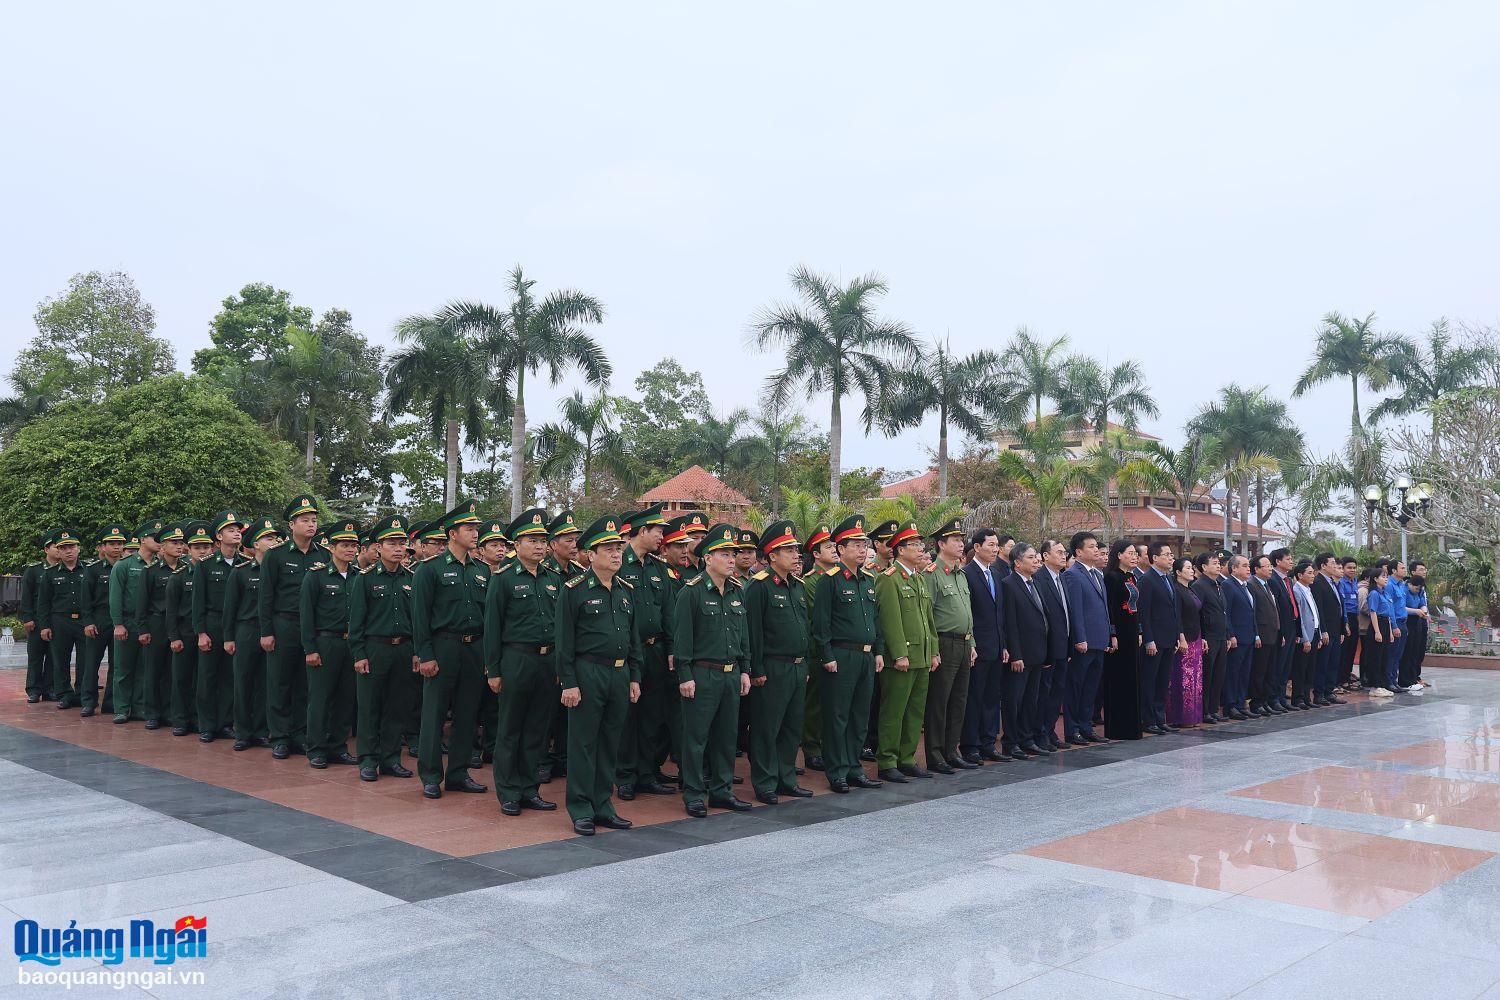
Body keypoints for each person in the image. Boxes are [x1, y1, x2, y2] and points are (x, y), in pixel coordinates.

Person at [555, 515, 643, 835]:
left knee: (610, 743)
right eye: (607, 548)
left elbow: (634, 640)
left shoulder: (625, 590)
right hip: (587, 671)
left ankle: (603, 805)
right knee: (583, 743)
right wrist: (569, 682)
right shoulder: (574, 590)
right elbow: (564, 643)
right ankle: (580, 808)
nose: (616, 553)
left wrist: (635, 677)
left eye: (618, 547)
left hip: (619, 674)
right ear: (590, 555)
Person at [483, 508, 562, 814]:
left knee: (537, 729)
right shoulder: (503, 579)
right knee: (510, 728)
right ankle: (508, 792)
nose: (540, 545)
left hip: (546, 660)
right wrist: (494, 669)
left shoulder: (553, 578)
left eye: (543, 539)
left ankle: (530, 788)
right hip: (516, 658)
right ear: (517, 544)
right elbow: (492, 627)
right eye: (533, 539)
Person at [413, 499, 490, 798]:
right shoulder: (429, 570)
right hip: (443, 646)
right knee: (434, 712)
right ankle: (431, 775)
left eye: (475, 529)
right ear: (452, 534)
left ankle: (458, 773)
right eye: (468, 528)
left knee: (467, 713)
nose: (475, 533)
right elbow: (420, 616)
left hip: (474, 647)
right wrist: (426, 654)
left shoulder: (481, 570)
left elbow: (488, 618)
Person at [675, 523, 753, 815]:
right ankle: (694, 792)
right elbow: (683, 638)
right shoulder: (691, 592)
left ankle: (722, 790)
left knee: (725, 736)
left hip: (730, 673)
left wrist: (745, 669)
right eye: (724, 553)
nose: (731, 558)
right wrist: (685, 675)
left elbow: (743, 634)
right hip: (702, 673)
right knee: (696, 737)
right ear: (708, 558)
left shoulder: (736, 591)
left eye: (733, 553)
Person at [810, 515, 885, 793]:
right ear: (840, 549)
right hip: (841, 655)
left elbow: (874, 619)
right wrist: (826, 654)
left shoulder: (867, 579)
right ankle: (837, 770)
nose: (862, 549)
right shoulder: (830, 580)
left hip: (866, 656)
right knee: (838, 716)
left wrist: (878, 650)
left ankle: (854, 768)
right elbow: (821, 623)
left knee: (859, 716)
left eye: (864, 544)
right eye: (855, 545)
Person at [744, 519, 813, 804]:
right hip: (772, 667)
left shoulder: (797, 585)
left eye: (796, 549)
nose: (796, 555)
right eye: (788, 550)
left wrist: (805, 663)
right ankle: (765, 782)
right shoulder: (759, 586)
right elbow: (753, 632)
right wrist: (756, 669)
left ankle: (786, 778)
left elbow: (804, 628)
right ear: (772, 556)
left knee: (791, 727)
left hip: (796, 666)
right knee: (766, 728)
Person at [347, 514, 418, 782]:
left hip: (403, 648)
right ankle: (368, 759)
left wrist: (415, 651)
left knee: (396, 706)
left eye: (402, 543)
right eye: (392, 543)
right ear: (378, 547)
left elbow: (416, 620)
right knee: (369, 707)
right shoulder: (365, 579)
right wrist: (359, 654)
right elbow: (357, 620)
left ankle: (390, 759)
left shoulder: (411, 578)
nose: (399, 548)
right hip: (375, 648)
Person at [614, 503, 676, 801]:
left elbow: (668, 612)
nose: (661, 537)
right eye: (658, 531)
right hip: (626, 652)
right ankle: (625, 775)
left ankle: (647, 773)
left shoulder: (658, 568)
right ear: (642, 531)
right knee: (628, 715)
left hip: (655, 649)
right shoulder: (618, 564)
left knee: (653, 714)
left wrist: (672, 648)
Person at [259, 496, 327, 759]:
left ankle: (300, 734)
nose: (311, 525)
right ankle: (280, 736)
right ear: (292, 524)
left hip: (312, 628)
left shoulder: (323, 555)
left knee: (305, 683)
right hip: (283, 623)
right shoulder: (276, 556)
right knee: (279, 681)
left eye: (313, 520)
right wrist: (266, 631)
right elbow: (266, 596)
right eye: (305, 520)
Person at [872, 521, 938, 783]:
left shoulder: (919, 579)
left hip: (921, 657)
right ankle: (887, 760)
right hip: (902, 658)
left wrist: (933, 651)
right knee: (894, 711)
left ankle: (906, 757)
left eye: (921, 544)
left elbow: (927, 621)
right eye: (914, 545)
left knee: (914, 711)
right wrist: (899, 653)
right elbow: (889, 621)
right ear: (900, 550)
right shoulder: (890, 580)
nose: (920, 549)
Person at [300, 519, 362, 769]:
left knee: (346, 698)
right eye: (344, 545)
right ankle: (316, 748)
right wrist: (310, 649)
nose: (350, 549)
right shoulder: (316, 577)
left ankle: (338, 746)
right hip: (325, 642)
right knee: (320, 698)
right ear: (332, 548)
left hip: (351, 644)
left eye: (353, 545)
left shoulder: (359, 577)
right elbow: (306, 616)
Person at [537, 509, 585, 784]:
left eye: (575, 537)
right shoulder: (545, 572)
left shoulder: (579, 573)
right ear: (553, 544)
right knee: (546, 709)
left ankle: (564, 758)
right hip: (547, 649)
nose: (574, 542)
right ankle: (543, 760)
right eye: (567, 538)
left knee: (569, 709)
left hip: (572, 651)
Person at [924, 519, 975, 771]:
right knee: (939, 701)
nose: (960, 543)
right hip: (944, 643)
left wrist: (972, 642)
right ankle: (935, 755)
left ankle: (951, 750)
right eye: (955, 540)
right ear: (941, 544)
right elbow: (927, 615)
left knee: (959, 700)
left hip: (964, 644)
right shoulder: (931, 574)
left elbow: (967, 612)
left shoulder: (961, 575)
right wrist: (933, 649)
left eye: (961, 539)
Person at [224, 519, 279, 749]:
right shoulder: (241, 572)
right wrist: (228, 637)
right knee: (244, 681)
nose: (274, 542)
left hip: (272, 630)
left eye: (275, 538)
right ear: (256, 544)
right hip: (246, 629)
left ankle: (261, 730)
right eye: (268, 538)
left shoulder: (278, 569)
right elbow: (231, 607)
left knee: (266, 682)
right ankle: (243, 732)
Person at [193, 512, 247, 742]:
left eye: (238, 529)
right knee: (207, 676)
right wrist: (201, 632)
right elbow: (197, 602)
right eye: (230, 529)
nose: (236, 533)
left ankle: (225, 722)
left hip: (235, 626)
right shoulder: (205, 566)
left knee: (229, 677)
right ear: (218, 536)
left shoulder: (244, 564)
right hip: (213, 624)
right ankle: (206, 725)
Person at [960, 529, 1009, 762]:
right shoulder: (967, 574)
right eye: (990, 545)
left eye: (997, 545)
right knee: (975, 698)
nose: (995, 549)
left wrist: (1005, 645)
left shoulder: (997, 574)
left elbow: (1001, 615)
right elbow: (968, 614)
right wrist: (972, 644)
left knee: (992, 698)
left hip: (997, 646)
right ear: (977, 547)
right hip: (977, 648)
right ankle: (971, 745)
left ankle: (988, 742)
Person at [1000, 542, 1052, 757]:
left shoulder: (1035, 582)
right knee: (1014, 701)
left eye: (1036, 557)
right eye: (1031, 558)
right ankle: (1011, 742)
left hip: (1038, 652)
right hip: (1020, 655)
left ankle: (1026, 738)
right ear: (1018, 562)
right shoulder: (1008, 584)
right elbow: (1009, 622)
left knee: (1032, 699)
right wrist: (1016, 654)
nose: (1036, 561)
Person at [164, 521, 214, 735]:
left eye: (205, 546)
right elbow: (171, 611)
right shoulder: (179, 576)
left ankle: (199, 719)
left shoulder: (214, 573)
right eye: (197, 547)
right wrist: (174, 637)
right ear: (188, 549)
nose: (202, 551)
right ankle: (180, 719)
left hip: (206, 631)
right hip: (184, 632)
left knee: (203, 679)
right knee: (181, 678)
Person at [1061, 531, 1111, 746]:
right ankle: (1072, 730)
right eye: (1090, 547)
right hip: (1084, 642)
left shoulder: (1098, 574)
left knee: (1091, 687)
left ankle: (1086, 725)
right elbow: (1076, 610)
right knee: (1076, 686)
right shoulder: (1073, 574)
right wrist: (1079, 638)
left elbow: (1103, 609)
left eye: (1095, 546)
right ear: (1078, 552)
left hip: (1099, 640)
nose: (1095, 550)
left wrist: (1110, 634)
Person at [137, 522, 187, 730]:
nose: (179, 546)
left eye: (180, 542)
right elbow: (142, 602)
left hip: (178, 624)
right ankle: (153, 712)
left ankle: (170, 712)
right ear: (163, 546)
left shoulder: (187, 569)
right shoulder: (151, 572)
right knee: (154, 669)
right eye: (173, 543)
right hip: (157, 622)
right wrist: (143, 628)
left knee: (174, 671)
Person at [1136, 541, 1185, 735]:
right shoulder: (1147, 580)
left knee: (1163, 681)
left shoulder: (1168, 579)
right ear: (1155, 558)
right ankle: (1147, 719)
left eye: (1172, 555)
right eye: (1167, 555)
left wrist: (1177, 637)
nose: (1171, 558)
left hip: (1168, 639)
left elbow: (1175, 611)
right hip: (1154, 640)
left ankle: (1159, 717)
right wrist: (1149, 639)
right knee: (1150, 681)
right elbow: (1144, 613)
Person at [79, 525, 127, 718]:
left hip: (120, 620)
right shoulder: (93, 570)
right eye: (112, 544)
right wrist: (88, 622)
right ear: (103, 547)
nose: (116, 547)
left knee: (117, 664)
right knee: (91, 663)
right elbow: (85, 599)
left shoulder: (126, 566)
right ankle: (88, 702)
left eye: (119, 543)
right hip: (99, 620)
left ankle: (111, 702)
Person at [799, 523, 836, 771]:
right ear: (815, 554)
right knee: (814, 704)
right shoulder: (810, 582)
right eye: (828, 547)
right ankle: (812, 747)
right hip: (815, 650)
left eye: (834, 546)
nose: (833, 550)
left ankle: (823, 744)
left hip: (835, 649)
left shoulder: (834, 578)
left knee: (829, 703)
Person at [37, 529, 86, 710]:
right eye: (63, 547)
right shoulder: (49, 574)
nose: (68, 551)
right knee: (60, 661)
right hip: (60, 621)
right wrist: (44, 626)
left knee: (85, 661)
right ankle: (64, 694)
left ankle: (82, 694)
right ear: (58, 550)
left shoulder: (88, 570)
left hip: (84, 621)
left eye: (71, 546)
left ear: (78, 548)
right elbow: (43, 603)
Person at [1031, 539, 1072, 751]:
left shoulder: (1062, 578)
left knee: (1057, 691)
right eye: (1058, 552)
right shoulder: (1039, 579)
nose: (1063, 555)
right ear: (1045, 556)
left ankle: (1049, 730)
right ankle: (1039, 733)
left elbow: (1066, 613)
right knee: (1044, 692)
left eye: (1064, 552)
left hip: (1063, 646)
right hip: (1048, 647)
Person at [1102, 540, 1142, 741]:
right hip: (1120, 634)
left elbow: (1136, 607)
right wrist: (1113, 633)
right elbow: (1110, 608)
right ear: (1118, 555)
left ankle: (1132, 726)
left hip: (1133, 631)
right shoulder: (1111, 577)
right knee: (1119, 679)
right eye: (1131, 552)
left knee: (1132, 678)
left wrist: (1140, 630)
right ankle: (1118, 727)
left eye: (1136, 553)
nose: (1135, 556)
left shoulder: (1132, 577)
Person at [1191, 551, 1228, 723]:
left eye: (1218, 563)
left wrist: (1228, 634)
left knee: (1219, 675)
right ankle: (1204, 710)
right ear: (1204, 567)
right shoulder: (1199, 585)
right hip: (1209, 637)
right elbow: (1197, 613)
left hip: (1221, 636)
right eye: (1214, 563)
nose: (1218, 565)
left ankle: (1213, 709)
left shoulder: (1218, 584)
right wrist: (1202, 636)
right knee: (1208, 674)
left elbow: (1223, 612)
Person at [20, 535, 57, 704]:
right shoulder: (34, 570)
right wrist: (27, 617)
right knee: (35, 656)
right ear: (46, 550)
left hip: (56, 620)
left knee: (54, 657)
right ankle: (34, 690)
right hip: (36, 620)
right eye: (54, 546)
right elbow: (26, 596)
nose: (59, 549)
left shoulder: (65, 569)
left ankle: (50, 689)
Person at [1168, 557, 1203, 727]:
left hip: (1196, 637)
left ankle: (1193, 716)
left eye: (1192, 568)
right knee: (1183, 678)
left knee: (1195, 678)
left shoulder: (1190, 590)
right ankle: (1181, 716)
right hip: (1185, 639)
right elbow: (1178, 616)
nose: (1192, 571)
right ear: (1178, 572)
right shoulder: (1177, 590)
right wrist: (1180, 637)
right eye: (1188, 568)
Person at [1223, 555, 1257, 719]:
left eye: (1248, 565)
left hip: (1249, 636)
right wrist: (1231, 634)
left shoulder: (1246, 586)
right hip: (1237, 637)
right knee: (1234, 672)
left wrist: (1256, 634)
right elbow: (1226, 613)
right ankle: (1231, 706)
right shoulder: (1228, 585)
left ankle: (1241, 702)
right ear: (1234, 568)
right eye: (1244, 565)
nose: (1248, 568)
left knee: (1245, 672)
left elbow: (1252, 612)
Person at [1311, 553, 1348, 707]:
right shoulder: (1318, 582)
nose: (1335, 566)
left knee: (1333, 662)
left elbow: (1337, 607)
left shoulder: (1333, 582)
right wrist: (1323, 631)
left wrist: (1341, 631)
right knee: (1323, 663)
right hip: (1326, 630)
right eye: (1332, 563)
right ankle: (1319, 694)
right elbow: (1319, 609)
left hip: (1335, 630)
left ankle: (1329, 691)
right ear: (1323, 566)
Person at [1248, 555, 1282, 715]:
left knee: (1270, 670)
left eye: (1270, 566)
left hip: (1272, 634)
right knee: (1259, 672)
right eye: (1267, 566)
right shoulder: (1252, 585)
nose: (1270, 569)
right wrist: (1256, 634)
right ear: (1257, 569)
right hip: (1261, 635)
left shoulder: (1267, 585)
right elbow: (1253, 613)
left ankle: (1266, 700)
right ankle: (1256, 702)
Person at [1267, 548, 1299, 713]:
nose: (1291, 561)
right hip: (1281, 629)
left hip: (1291, 627)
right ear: (1278, 561)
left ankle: (1281, 696)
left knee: (1286, 666)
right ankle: (1274, 698)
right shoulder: (1273, 580)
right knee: (1278, 666)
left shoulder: (1288, 580)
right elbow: (1276, 608)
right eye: (1288, 558)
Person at [1290, 559, 1321, 709]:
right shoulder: (1297, 590)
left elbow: (1315, 614)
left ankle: (1307, 697)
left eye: (1313, 572)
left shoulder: (1309, 590)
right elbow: (1300, 617)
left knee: (1311, 667)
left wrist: (1319, 635)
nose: (1313, 575)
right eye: (1309, 573)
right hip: (1305, 636)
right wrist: (1305, 638)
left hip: (1314, 633)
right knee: (1300, 668)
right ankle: (1298, 698)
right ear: (1300, 575)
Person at [1364, 565, 1394, 697]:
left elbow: (1388, 614)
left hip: (1386, 624)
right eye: (1383, 576)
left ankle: (1382, 684)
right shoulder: (1374, 593)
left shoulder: (1385, 593)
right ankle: (1374, 686)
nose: (1386, 579)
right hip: (1377, 624)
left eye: (1386, 576)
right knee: (1376, 656)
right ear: (1375, 579)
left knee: (1384, 656)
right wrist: (1377, 631)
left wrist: (1391, 632)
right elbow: (1373, 612)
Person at [1400, 565, 1429, 692]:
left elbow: (1422, 603)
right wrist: (1416, 611)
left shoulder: (1420, 591)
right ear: (1410, 584)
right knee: (1407, 652)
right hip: (1407, 620)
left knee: (1415, 651)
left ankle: (1413, 678)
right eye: (1416, 589)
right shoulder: (1404, 589)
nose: (1417, 591)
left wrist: (1423, 610)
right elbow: (1401, 607)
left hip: (1417, 621)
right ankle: (1405, 680)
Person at [1386, 560, 1410, 694]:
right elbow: (1390, 608)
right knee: (1392, 654)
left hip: (1403, 622)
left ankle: (1394, 681)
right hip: (1395, 623)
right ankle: (1389, 681)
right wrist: (1394, 626)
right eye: (1402, 568)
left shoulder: (1401, 585)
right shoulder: (1389, 585)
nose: (1404, 570)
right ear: (1394, 571)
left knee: (1398, 655)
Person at [1337, 557, 1361, 690]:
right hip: (1346, 617)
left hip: (1354, 617)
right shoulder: (1341, 583)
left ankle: (1347, 677)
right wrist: (1345, 622)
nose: (1352, 570)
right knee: (1344, 651)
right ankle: (1341, 680)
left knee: (1352, 649)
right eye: (1349, 568)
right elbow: (1343, 605)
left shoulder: (1355, 582)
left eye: (1354, 567)